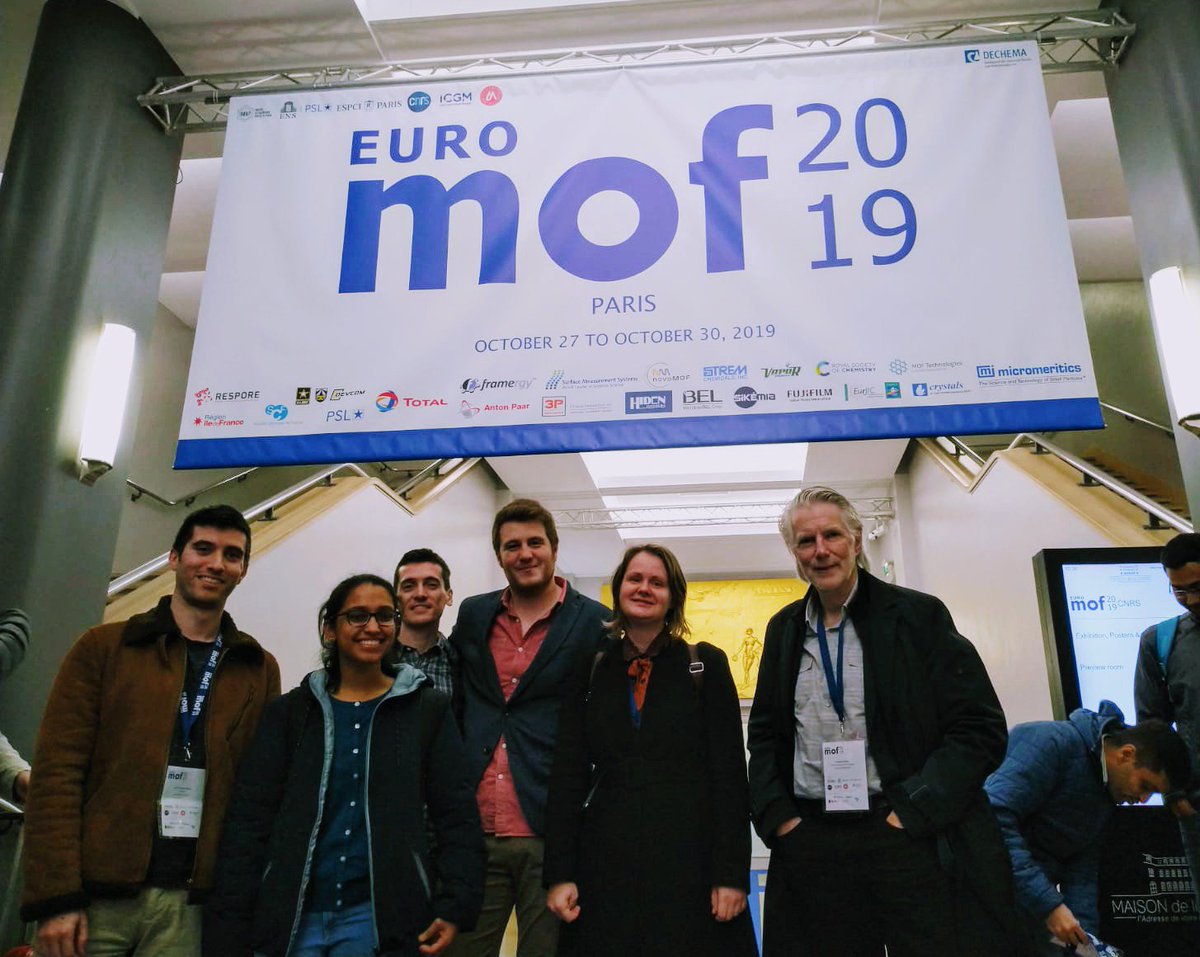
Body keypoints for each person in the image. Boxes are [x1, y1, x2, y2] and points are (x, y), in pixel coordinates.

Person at [746, 486, 1021, 957]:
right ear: (795, 554)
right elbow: (766, 736)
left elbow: (979, 728)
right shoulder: (784, 629)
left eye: (832, 535)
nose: (821, 550)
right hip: (814, 839)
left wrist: (912, 812)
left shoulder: (918, 617)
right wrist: (781, 820)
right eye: (806, 541)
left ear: (856, 540)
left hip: (902, 833)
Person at [21, 505, 280, 957]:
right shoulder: (104, 648)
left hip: (190, 907)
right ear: (174, 558)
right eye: (203, 549)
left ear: (242, 571)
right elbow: (56, 776)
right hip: (93, 900)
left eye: (231, 555)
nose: (216, 563)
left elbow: (259, 794)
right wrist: (56, 897)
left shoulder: (257, 667)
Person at [203, 573, 484, 957]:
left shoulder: (426, 710)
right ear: (329, 629)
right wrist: (233, 913)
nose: (373, 627)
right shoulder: (291, 713)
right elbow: (251, 817)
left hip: (377, 919)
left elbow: (456, 814)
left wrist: (455, 903)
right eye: (357, 616)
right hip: (293, 917)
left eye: (384, 616)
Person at [544, 544, 757, 957]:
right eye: (635, 579)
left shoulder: (704, 665)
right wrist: (559, 873)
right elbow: (567, 773)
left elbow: (730, 777)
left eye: (657, 582)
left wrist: (731, 876)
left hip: (689, 859)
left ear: (673, 597)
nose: (644, 588)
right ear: (619, 589)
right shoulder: (590, 668)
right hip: (606, 861)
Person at [449, 499, 607, 957]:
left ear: (554, 548)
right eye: (512, 546)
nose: (524, 554)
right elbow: (457, 697)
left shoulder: (594, 621)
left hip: (549, 827)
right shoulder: (474, 614)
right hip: (477, 823)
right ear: (499, 556)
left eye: (534, 542)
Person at [985, 701, 1190, 954]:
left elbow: (1082, 872)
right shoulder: (1050, 742)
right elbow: (993, 820)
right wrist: (1049, 906)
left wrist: (1085, 947)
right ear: (1126, 754)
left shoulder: (1105, 792)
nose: (1143, 799)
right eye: (1145, 786)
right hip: (974, 903)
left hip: (1020, 909)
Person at [1135, 531, 1200, 916]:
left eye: (1197, 588)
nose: (1191, 600)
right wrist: (1174, 796)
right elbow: (1152, 727)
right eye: (1179, 591)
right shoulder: (1160, 642)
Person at [394, 548, 458, 700]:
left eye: (431, 585)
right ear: (395, 599)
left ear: (448, 596)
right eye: (408, 586)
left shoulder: (463, 665)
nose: (420, 594)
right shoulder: (375, 659)